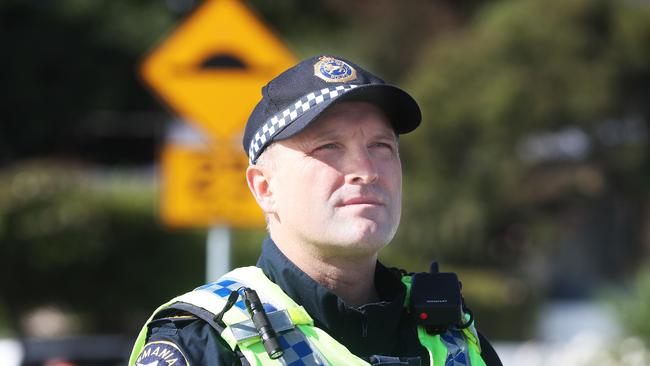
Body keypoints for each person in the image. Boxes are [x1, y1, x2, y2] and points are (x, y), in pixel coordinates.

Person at [129, 55, 502, 366]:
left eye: (381, 146)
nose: (366, 171)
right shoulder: (205, 341)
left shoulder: (453, 334)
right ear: (264, 187)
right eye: (328, 147)